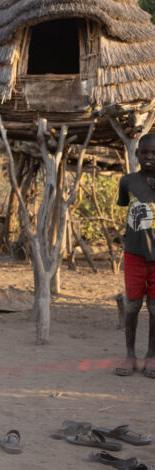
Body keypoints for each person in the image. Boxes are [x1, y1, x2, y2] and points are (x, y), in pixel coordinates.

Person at [115, 134, 155, 378]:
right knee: (132, 306)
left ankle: (151, 355)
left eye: (154, 154)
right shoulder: (127, 181)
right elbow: (126, 208)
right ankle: (130, 355)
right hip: (134, 254)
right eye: (144, 153)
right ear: (137, 154)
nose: (149, 157)